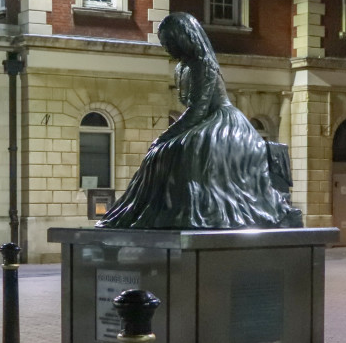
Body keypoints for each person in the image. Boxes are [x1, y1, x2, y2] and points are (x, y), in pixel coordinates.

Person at [96, 12, 303, 230]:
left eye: (169, 40)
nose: (166, 46)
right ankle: (146, 210)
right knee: (159, 153)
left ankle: (193, 209)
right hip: (202, 119)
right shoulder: (181, 68)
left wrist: (167, 135)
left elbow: (198, 109)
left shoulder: (203, 65)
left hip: (222, 121)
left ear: (184, 37)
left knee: (185, 148)